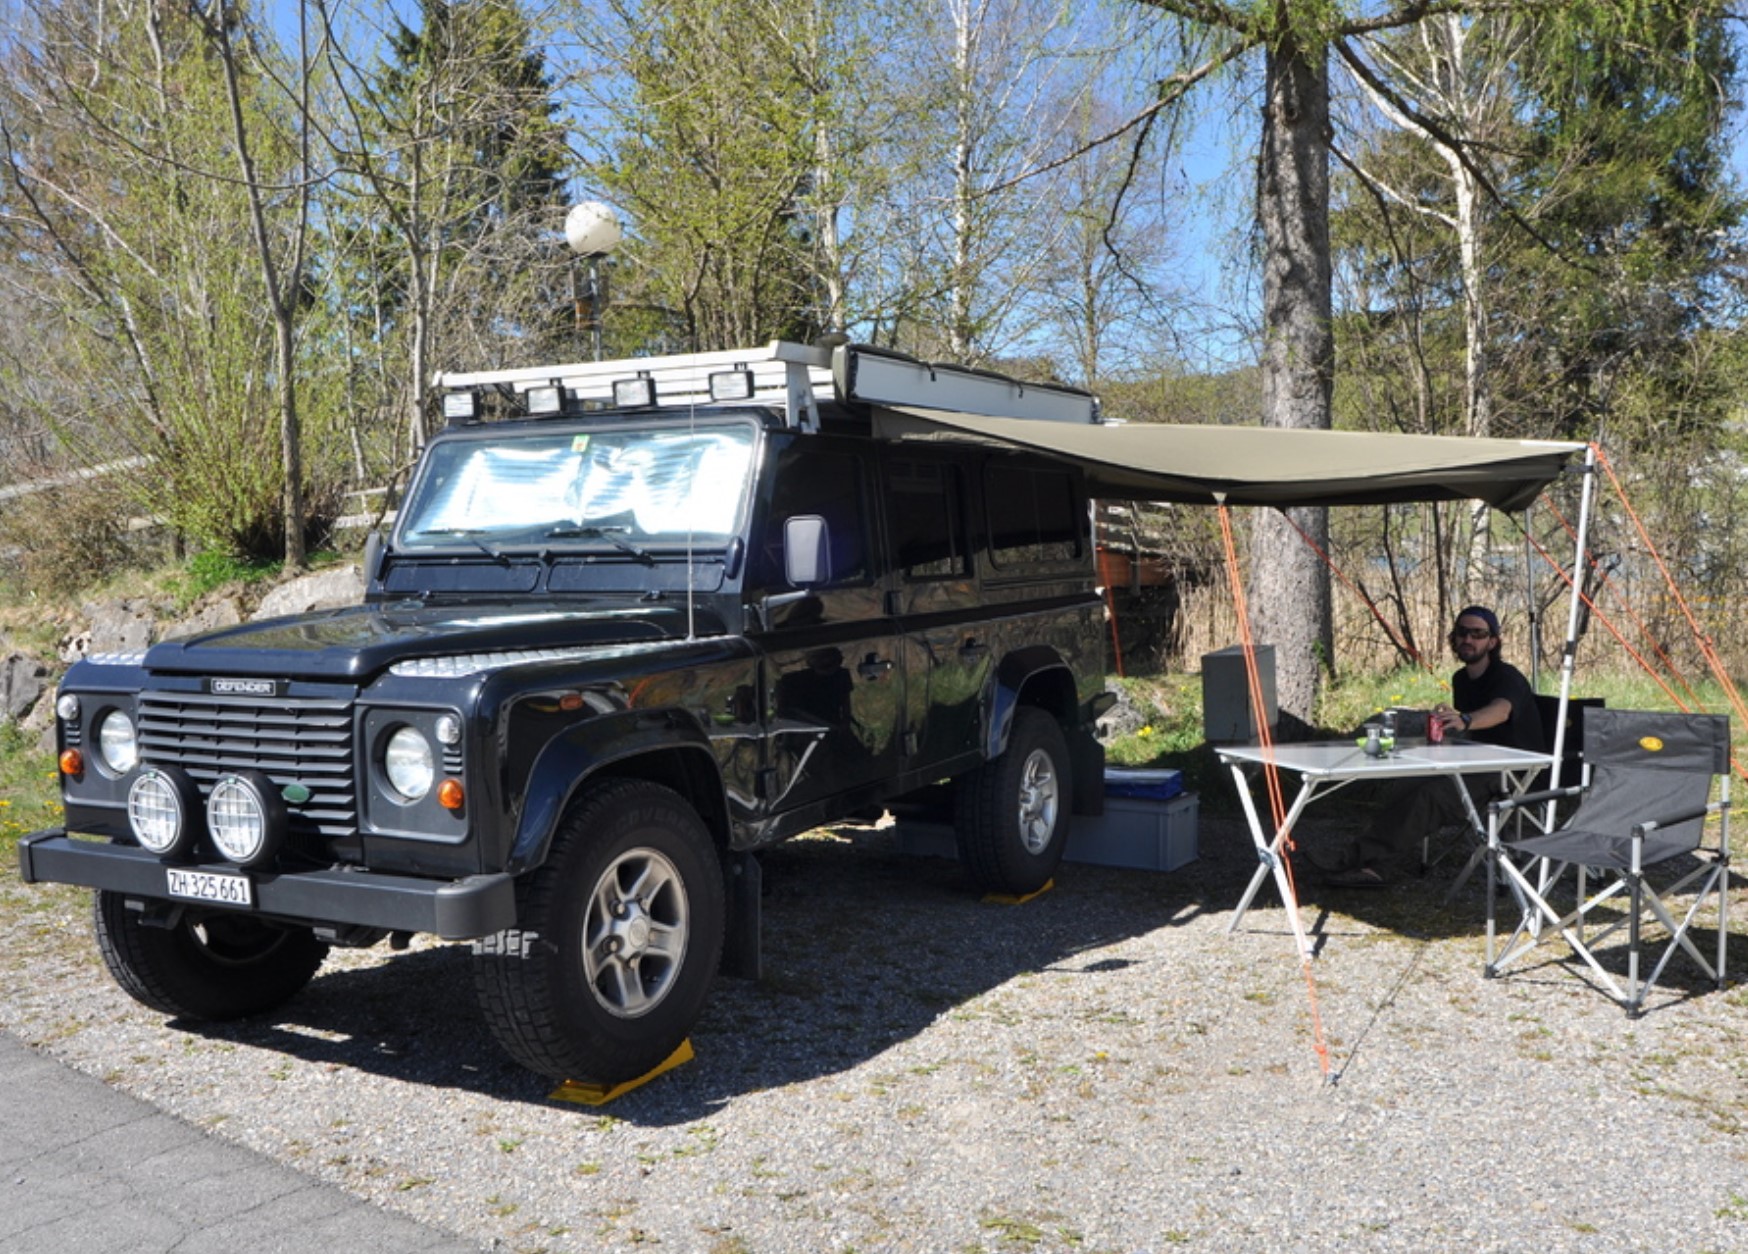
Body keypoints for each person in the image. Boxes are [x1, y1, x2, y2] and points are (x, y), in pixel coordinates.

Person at [1315, 605, 1545, 888]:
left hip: (1512, 771)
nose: (1468, 640)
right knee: (1405, 783)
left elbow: (1500, 711)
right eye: (1462, 633)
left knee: (1430, 796)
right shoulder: (1462, 679)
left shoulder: (1506, 676)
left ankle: (1360, 862)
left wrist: (1465, 719)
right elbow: (1469, 727)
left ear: (1492, 641)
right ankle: (1366, 863)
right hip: (1475, 761)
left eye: (1477, 634)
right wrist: (1451, 719)